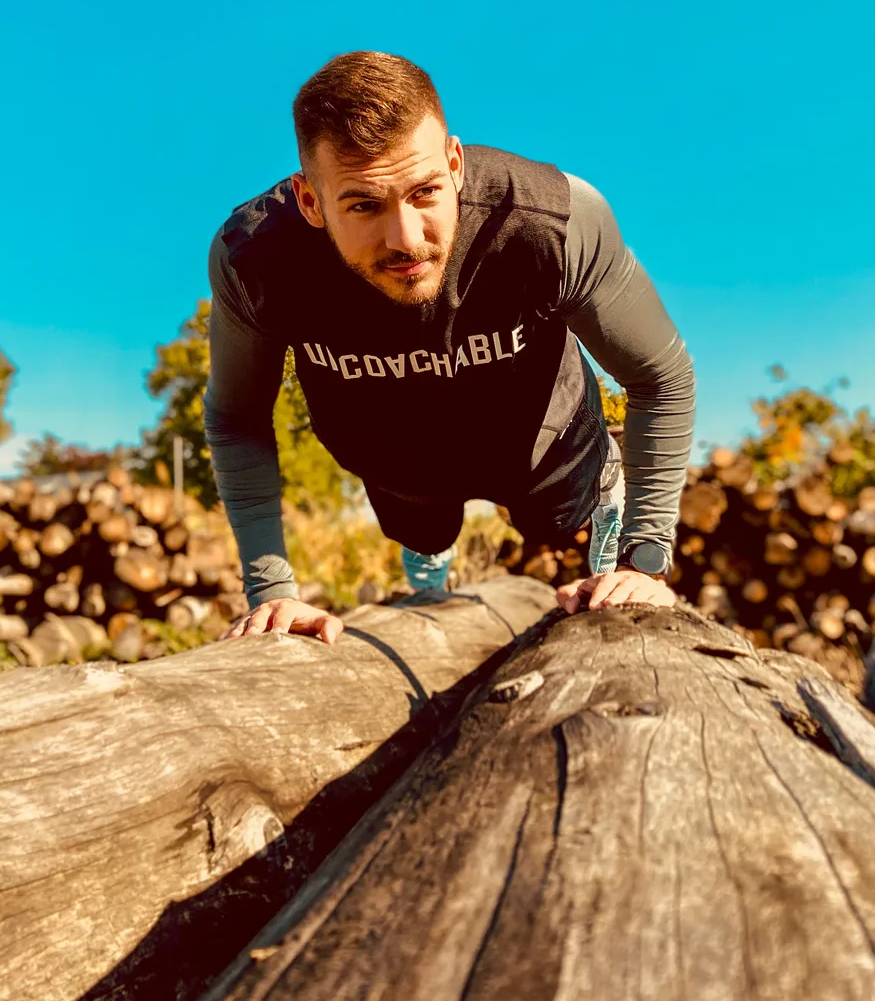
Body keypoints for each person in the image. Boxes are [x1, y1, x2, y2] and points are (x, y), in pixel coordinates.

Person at [206, 51, 695, 644]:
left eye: (425, 192)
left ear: (456, 164)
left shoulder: (551, 220)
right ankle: (431, 567)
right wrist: (272, 592)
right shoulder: (255, 260)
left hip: (542, 443)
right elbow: (237, 418)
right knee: (425, 533)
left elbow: (661, 375)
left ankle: (602, 487)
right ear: (310, 200)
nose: (404, 238)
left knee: (556, 522)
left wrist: (643, 563)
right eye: (363, 204)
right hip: (394, 458)